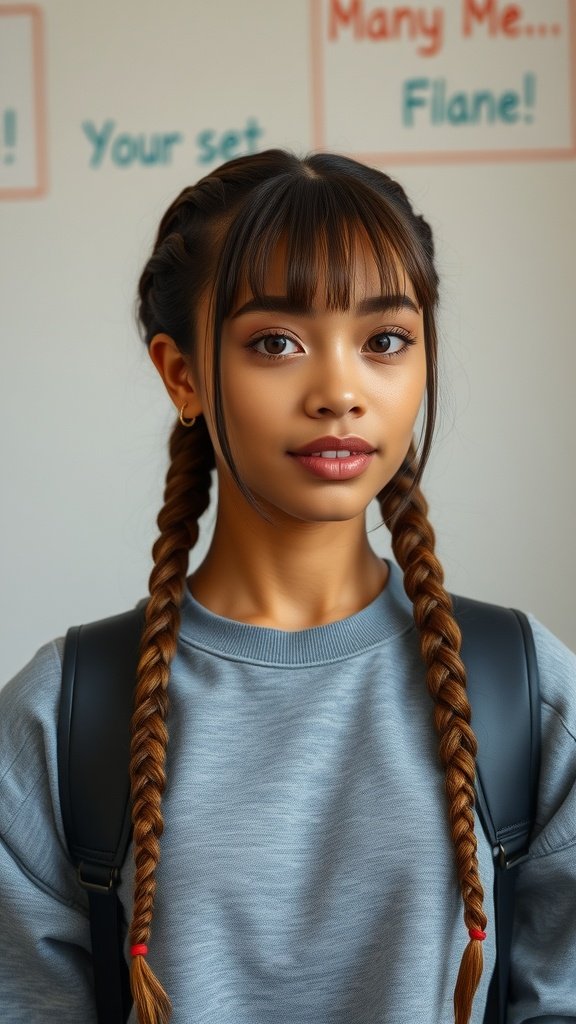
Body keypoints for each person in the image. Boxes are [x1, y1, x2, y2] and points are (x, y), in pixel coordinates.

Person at [0, 150, 574, 1024]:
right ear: (182, 374)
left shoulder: (526, 692)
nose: (340, 391)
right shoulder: (58, 719)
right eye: (276, 342)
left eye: (385, 341)